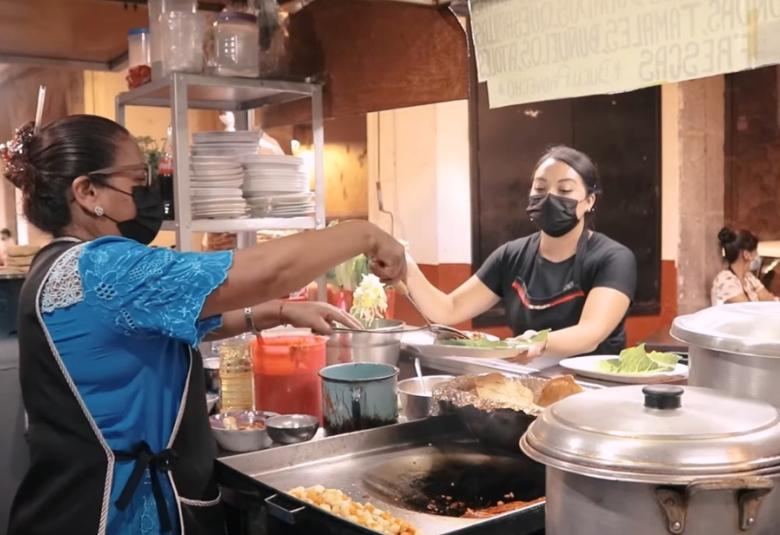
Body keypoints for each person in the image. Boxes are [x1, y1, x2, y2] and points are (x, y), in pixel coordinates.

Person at [2, 115, 406, 535]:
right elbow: (265, 270)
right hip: (109, 515)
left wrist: (280, 312)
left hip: (71, 502)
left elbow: (173, 321)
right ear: (87, 192)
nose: (149, 195)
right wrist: (363, 233)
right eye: (138, 179)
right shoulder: (103, 267)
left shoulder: (60, 263)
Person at [406, 145, 637, 361]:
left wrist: (539, 341)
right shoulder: (511, 256)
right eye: (540, 188)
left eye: (564, 189)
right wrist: (405, 267)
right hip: (527, 383)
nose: (549, 197)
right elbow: (450, 309)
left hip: (594, 390)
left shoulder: (613, 259)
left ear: (589, 201)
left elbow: (591, 333)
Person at [711, 227, 778, 305]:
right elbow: (746, 309)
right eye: (754, 252)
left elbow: (769, 300)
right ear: (746, 254)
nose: (756, 256)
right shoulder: (725, 280)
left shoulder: (749, 278)